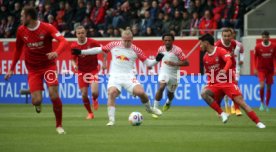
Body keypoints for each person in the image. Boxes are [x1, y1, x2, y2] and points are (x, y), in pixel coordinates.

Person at [72, 30, 164, 126]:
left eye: (129, 41)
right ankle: (111, 120)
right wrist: (81, 51)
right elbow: (98, 49)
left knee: (141, 92)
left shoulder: (136, 50)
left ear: (132, 39)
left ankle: (150, 109)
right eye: (125, 40)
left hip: (129, 76)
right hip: (115, 76)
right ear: (122, 39)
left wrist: (157, 60)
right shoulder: (114, 44)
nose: (127, 43)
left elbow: (149, 63)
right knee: (111, 93)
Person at [4, 7, 67, 134]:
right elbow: (17, 50)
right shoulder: (21, 30)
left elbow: (63, 41)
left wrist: (56, 52)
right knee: (36, 100)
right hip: (33, 69)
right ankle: (37, 103)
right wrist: (11, 69)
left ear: (29, 17)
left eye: (22, 16)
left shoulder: (47, 27)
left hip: (49, 66)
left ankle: (59, 125)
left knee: (54, 94)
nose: (20, 18)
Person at [199, 33, 265, 129]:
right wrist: (209, 83)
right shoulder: (205, 57)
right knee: (204, 93)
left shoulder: (220, 50)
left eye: (201, 43)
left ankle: (258, 122)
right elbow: (209, 73)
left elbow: (229, 61)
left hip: (228, 82)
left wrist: (224, 70)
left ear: (206, 43)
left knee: (241, 102)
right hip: (216, 84)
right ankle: (222, 113)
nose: (200, 45)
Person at [71, 25, 107, 119]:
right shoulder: (74, 46)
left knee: (95, 92)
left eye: (82, 33)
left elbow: (104, 51)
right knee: (84, 94)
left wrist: (104, 62)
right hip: (81, 72)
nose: (81, 35)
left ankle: (94, 99)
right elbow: (73, 59)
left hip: (93, 71)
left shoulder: (93, 42)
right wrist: (74, 65)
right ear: (76, 35)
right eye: (79, 33)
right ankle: (90, 113)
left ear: (85, 33)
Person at [153, 33, 189, 115]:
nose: (167, 42)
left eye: (169, 40)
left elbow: (187, 63)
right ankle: (155, 109)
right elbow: (157, 59)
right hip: (164, 71)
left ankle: (169, 102)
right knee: (161, 87)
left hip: (174, 74)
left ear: (173, 41)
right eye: (165, 40)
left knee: (170, 93)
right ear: (163, 41)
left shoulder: (178, 51)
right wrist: (151, 65)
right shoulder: (161, 49)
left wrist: (174, 63)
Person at [215, 28, 242, 116]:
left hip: (232, 67)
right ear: (222, 36)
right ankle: (226, 107)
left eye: (228, 36)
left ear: (232, 36)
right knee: (223, 90)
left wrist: (240, 59)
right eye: (225, 36)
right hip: (221, 69)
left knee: (234, 86)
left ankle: (236, 108)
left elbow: (240, 52)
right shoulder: (218, 44)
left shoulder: (235, 43)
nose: (226, 38)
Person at [254, 31, 276, 112]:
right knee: (262, 85)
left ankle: (267, 105)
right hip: (261, 69)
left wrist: (275, 67)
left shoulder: (274, 46)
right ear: (262, 38)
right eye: (263, 37)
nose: (265, 38)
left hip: (270, 70)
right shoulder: (258, 47)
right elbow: (255, 57)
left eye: (266, 37)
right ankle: (261, 103)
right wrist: (255, 68)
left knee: (269, 87)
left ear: (268, 37)